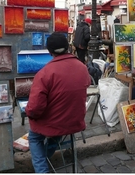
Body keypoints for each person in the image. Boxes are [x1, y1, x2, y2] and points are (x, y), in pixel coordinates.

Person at [25, 32, 90, 173]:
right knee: (56, 132)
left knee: (34, 137)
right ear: (68, 47)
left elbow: (35, 109)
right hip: (74, 121)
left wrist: (28, 112)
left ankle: (42, 169)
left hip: (53, 124)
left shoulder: (44, 74)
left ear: (49, 51)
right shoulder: (82, 68)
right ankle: (46, 157)